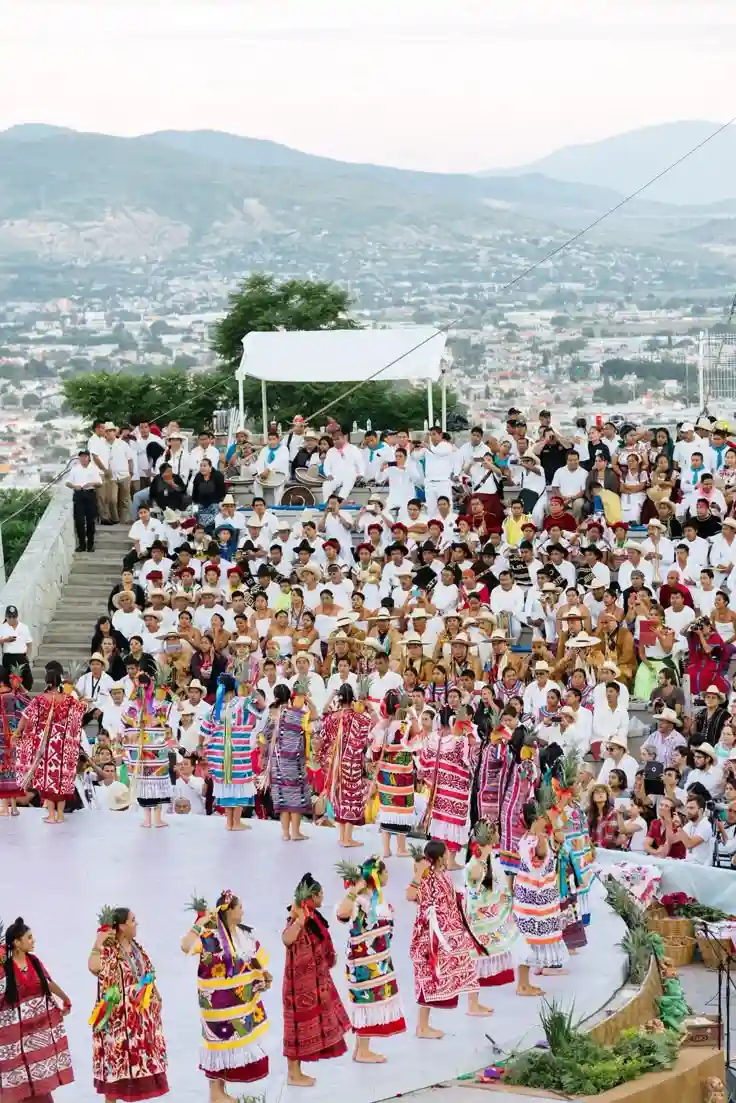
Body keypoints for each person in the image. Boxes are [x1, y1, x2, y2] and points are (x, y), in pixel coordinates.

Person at [181, 890, 272, 1101]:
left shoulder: (244, 935)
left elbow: (256, 959)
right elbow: (186, 946)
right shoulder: (209, 936)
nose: (243, 911)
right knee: (217, 1044)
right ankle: (215, 1092)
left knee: (231, 1044)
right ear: (229, 910)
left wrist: (265, 976)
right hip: (216, 1005)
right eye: (239, 907)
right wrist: (199, 923)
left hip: (240, 1004)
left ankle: (221, 1092)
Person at [88, 906, 168, 1101]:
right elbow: (94, 967)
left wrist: (157, 996)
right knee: (114, 1072)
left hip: (138, 1021)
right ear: (122, 926)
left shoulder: (137, 949)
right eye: (132, 920)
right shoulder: (109, 950)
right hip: (116, 1020)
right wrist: (98, 942)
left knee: (136, 1072)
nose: (136, 924)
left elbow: (148, 975)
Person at [407, 839, 481, 1038]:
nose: (449, 854)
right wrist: (418, 873)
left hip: (447, 933)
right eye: (447, 852)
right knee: (428, 978)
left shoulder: (443, 875)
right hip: (431, 935)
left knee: (460, 967)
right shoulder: (427, 876)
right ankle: (422, 1027)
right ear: (440, 857)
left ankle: (472, 1004)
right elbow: (411, 895)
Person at [335, 856, 406, 1063]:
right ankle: (363, 1051)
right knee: (366, 1002)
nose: (388, 875)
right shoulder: (360, 900)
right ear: (376, 875)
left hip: (378, 961)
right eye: (385, 872)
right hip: (364, 964)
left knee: (371, 1001)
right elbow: (342, 914)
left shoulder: (376, 898)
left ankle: (361, 1049)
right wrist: (353, 891)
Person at [282, 873, 350, 1087]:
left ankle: (296, 1073)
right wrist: (299, 921)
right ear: (312, 896)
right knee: (296, 1027)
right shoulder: (297, 919)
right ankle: (293, 1074)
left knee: (305, 1026)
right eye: (320, 894)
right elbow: (286, 938)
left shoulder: (313, 916)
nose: (323, 897)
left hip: (314, 981)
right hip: (298, 985)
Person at [0, 916, 74, 1101]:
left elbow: (47, 983)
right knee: (14, 1086)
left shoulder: (34, 961)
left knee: (39, 1085)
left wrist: (65, 998)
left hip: (36, 1036)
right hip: (15, 1039)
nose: (33, 940)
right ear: (17, 943)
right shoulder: (4, 969)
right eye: (29, 937)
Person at [13, 666, 86, 824]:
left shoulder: (40, 699)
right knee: (61, 779)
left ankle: (51, 815)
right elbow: (82, 709)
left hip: (45, 744)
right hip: (63, 744)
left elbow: (25, 716)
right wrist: (79, 695)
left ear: (46, 682)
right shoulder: (68, 699)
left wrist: (17, 732)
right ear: (59, 682)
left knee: (48, 780)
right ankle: (60, 815)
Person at [513, 801, 568, 995]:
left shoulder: (528, 838)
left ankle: (525, 983)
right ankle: (522, 985)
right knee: (527, 940)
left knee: (529, 940)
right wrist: (543, 835)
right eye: (545, 816)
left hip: (535, 899)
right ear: (537, 819)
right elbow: (541, 854)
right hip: (532, 901)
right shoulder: (534, 841)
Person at [463, 820, 519, 1000]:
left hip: (490, 910)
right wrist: (497, 898)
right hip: (480, 915)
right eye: (495, 832)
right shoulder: (476, 865)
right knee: (482, 948)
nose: (499, 834)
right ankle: (474, 998)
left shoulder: (485, 859)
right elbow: (474, 897)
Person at [201, 675, 264, 831]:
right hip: (238, 756)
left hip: (219, 758)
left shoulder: (214, 708)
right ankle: (236, 822)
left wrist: (200, 746)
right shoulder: (243, 703)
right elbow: (262, 705)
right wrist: (252, 689)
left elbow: (203, 731)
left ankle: (229, 822)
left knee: (227, 788)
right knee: (238, 788)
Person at [317, 683, 373, 848]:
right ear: (352, 699)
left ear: (339, 699)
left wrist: (324, 760)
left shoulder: (330, 718)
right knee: (351, 798)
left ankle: (342, 837)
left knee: (339, 798)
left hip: (333, 764)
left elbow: (323, 740)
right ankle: (348, 838)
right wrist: (366, 704)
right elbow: (369, 732)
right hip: (351, 763)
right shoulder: (359, 718)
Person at [262, 681, 316, 841]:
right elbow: (315, 715)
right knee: (295, 798)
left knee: (283, 798)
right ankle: (296, 832)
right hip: (293, 764)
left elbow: (264, 736)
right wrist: (309, 700)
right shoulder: (298, 716)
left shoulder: (274, 715)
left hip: (277, 763)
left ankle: (286, 833)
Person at [120, 672, 175, 829]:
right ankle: (153, 819)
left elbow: (125, 725)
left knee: (150, 785)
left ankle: (151, 819)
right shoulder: (145, 706)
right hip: (145, 753)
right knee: (149, 785)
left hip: (152, 753)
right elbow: (126, 726)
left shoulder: (139, 706)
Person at [369, 689, 417, 857]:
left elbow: (375, 751)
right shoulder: (405, 725)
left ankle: (386, 849)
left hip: (385, 775)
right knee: (402, 810)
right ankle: (401, 848)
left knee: (387, 810)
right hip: (402, 777)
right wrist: (412, 715)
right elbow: (417, 741)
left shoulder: (381, 726)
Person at [0, 670, 28, 816]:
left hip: (1, 739)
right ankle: (14, 808)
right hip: (13, 737)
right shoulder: (13, 696)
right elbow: (28, 706)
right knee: (12, 771)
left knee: (3, 773)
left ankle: (5, 808)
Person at [67, 446, 102, 551]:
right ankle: (82, 544)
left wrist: (91, 483)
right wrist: (74, 486)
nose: (83, 458)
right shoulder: (75, 469)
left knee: (90, 521)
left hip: (90, 494)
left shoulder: (94, 468)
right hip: (79, 494)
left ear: (89, 458)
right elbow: (68, 483)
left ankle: (90, 544)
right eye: (81, 456)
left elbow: (100, 483)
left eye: (85, 456)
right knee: (79, 521)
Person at [673, 792, 715, 864]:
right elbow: (673, 840)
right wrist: (668, 821)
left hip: (701, 866)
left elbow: (689, 844)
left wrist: (678, 826)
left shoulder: (706, 825)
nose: (688, 811)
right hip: (689, 864)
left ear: (701, 810)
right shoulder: (690, 824)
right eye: (687, 808)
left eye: (691, 808)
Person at [0, 604, 33, 691]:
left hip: (21, 657)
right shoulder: (2, 627)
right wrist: (5, 640)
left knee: (27, 681)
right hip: (8, 657)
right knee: (8, 682)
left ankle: (23, 695)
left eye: (14, 617)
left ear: (17, 616)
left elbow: (29, 643)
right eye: (9, 617)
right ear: (6, 617)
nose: (11, 619)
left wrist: (28, 656)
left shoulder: (24, 627)